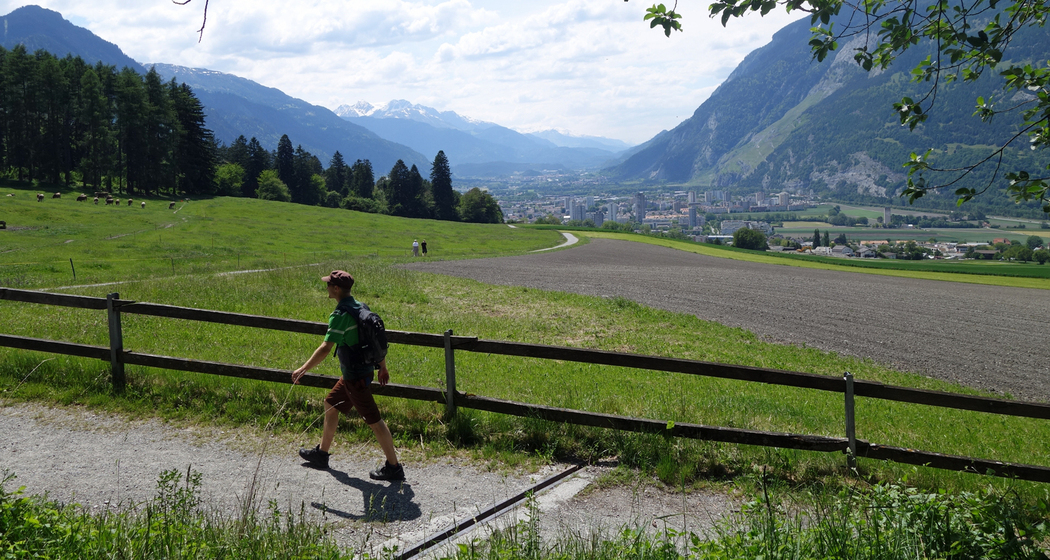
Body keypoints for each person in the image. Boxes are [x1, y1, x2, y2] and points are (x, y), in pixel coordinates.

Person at [292, 270, 404, 481]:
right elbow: (375, 341)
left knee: (375, 421)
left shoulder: (341, 315)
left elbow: (326, 348)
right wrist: (382, 366)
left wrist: (303, 368)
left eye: (328, 284)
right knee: (331, 404)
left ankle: (394, 467)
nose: (326, 287)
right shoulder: (361, 307)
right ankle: (322, 455)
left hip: (355, 377)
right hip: (359, 373)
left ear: (336, 289)